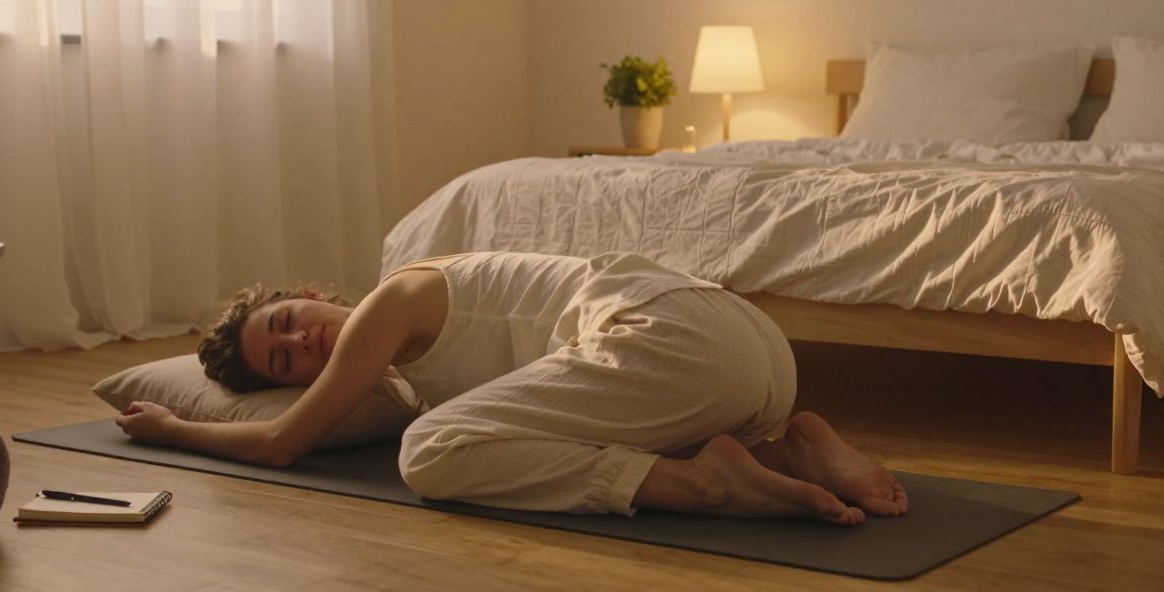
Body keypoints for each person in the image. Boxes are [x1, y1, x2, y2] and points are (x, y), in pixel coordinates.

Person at [115, 251, 908, 524]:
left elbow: (285, 441)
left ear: (316, 291)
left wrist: (175, 430)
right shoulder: (396, 369)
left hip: (674, 336)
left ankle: (698, 482)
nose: (301, 339)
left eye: (289, 318)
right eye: (285, 361)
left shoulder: (388, 304)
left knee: (430, 452)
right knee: (523, 422)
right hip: (755, 349)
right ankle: (794, 445)